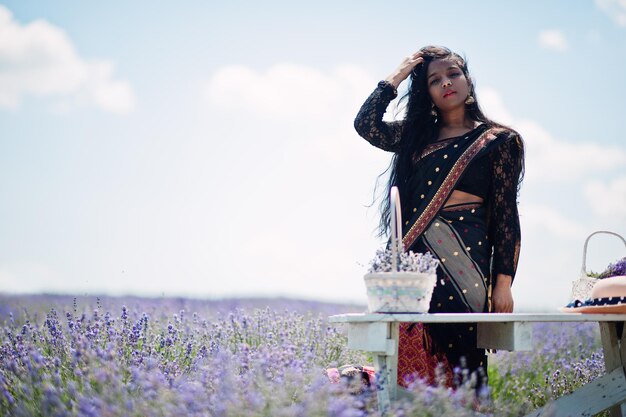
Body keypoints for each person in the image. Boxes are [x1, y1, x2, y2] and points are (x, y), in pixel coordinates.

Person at [354, 46, 524, 390]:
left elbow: (506, 215)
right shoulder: (416, 136)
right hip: (414, 265)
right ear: (426, 92)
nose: (447, 83)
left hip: (468, 265)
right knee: (408, 353)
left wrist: (503, 283)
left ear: (468, 80)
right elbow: (366, 125)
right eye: (435, 80)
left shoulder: (499, 141)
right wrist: (396, 77)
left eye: (453, 74)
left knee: (463, 361)